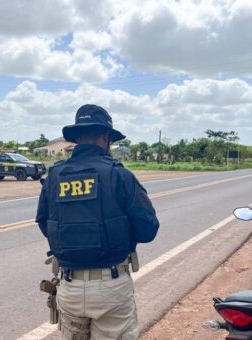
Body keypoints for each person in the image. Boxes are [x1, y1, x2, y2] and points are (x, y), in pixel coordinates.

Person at [36, 104, 160, 340]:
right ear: (106, 137)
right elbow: (148, 230)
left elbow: (44, 224)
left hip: (69, 285)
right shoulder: (119, 174)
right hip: (111, 287)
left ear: (78, 138)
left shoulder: (54, 176)